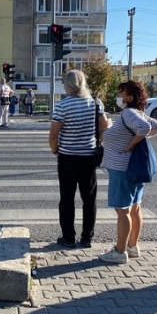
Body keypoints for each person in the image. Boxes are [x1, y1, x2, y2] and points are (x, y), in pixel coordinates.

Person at [99, 80, 157, 264]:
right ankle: (132, 247)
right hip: (133, 167)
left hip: (122, 168)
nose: (118, 96)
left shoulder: (128, 113)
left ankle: (119, 252)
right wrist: (134, 140)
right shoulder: (137, 113)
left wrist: (131, 145)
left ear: (129, 97)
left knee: (122, 211)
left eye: (120, 93)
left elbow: (146, 128)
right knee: (135, 208)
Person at [49, 69, 108, 248]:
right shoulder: (96, 103)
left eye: (64, 83)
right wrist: (96, 142)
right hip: (89, 157)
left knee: (67, 198)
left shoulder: (62, 106)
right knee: (89, 198)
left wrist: (55, 150)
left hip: (67, 157)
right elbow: (104, 127)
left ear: (69, 85)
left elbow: (53, 134)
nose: (63, 86)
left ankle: (68, 237)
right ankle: (87, 238)